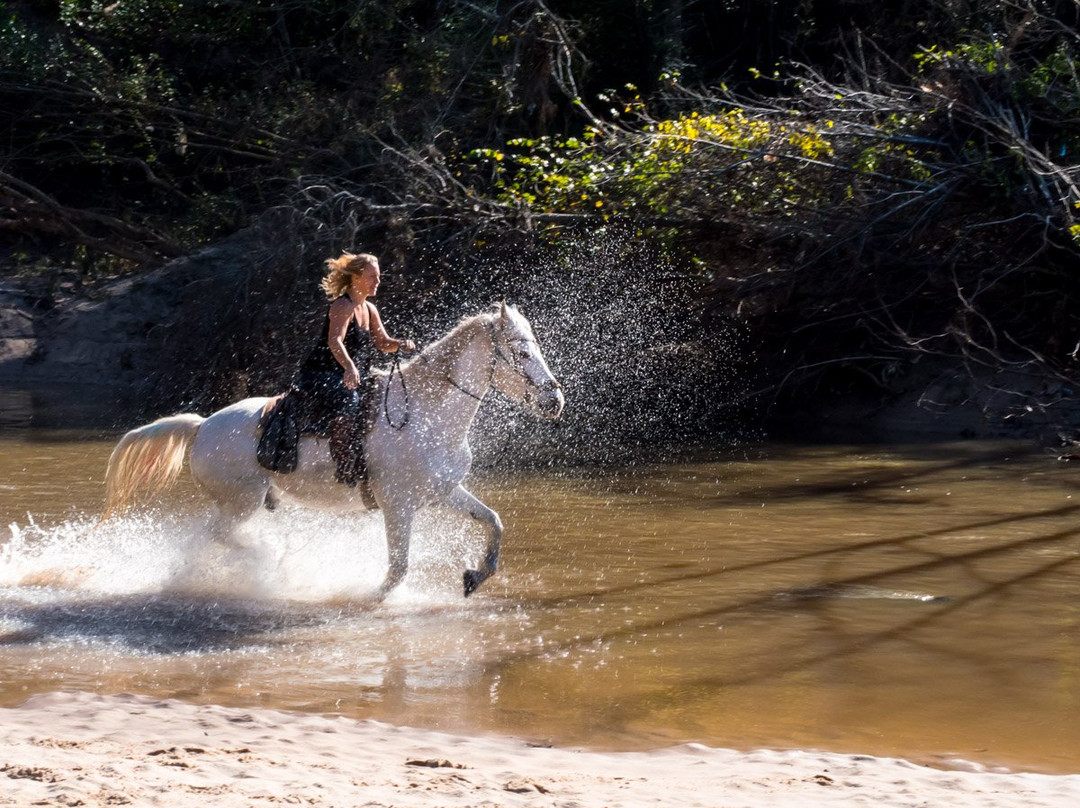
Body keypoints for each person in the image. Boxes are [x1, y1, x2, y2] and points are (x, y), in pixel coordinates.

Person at [294, 252, 415, 487]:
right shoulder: (343, 305)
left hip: (351, 374)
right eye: (372, 277)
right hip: (322, 373)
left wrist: (400, 344)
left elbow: (383, 343)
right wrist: (349, 367)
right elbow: (334, 341)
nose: (377, 282)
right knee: (348, 399)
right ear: (356, 277)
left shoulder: (369, 309)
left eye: (378, 277)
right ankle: (345, 464)